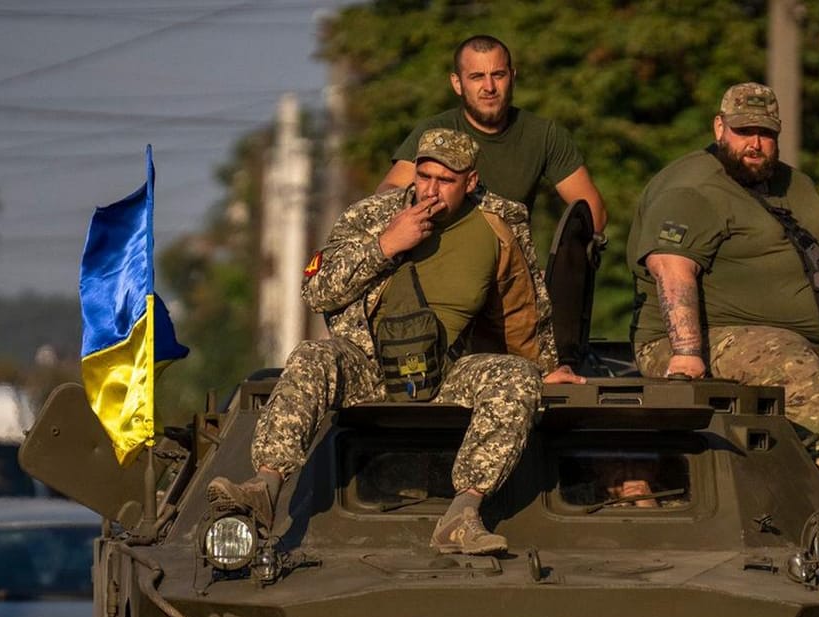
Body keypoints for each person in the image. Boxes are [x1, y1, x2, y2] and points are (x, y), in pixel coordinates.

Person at [210, 129, 583, 555]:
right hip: (367, 364)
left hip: (446, 370)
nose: (430, 189)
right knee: (313, 356)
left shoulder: (500, 223)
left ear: (471, 181)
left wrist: (544, 365)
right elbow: (317, 292)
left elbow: (523, 305)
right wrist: (387, 244)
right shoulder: (371, 216)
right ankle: (265, 486)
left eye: (445, 180)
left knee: (517, 377)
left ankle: (462, 514)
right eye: (424, 176)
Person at [627, 81, 819, 547]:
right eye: (743, 131)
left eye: (766, 132)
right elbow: (671, 269)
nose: (755, 143)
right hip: (689, 340)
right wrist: (686, 354)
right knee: (788, 355)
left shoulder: (796, 186)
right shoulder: (692, 189)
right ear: (720, 128)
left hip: (787, 340)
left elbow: (814, 265)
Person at [376, 35, 608, 232]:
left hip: (510, 266)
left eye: (498, 75)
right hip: (440, 261)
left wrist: (561, 266)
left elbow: (594, 215)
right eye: (477, 77)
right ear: (457, 84)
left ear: (512, 77)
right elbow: (388, 193)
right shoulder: (433, 131)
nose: (489, 87)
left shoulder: (545, 135)